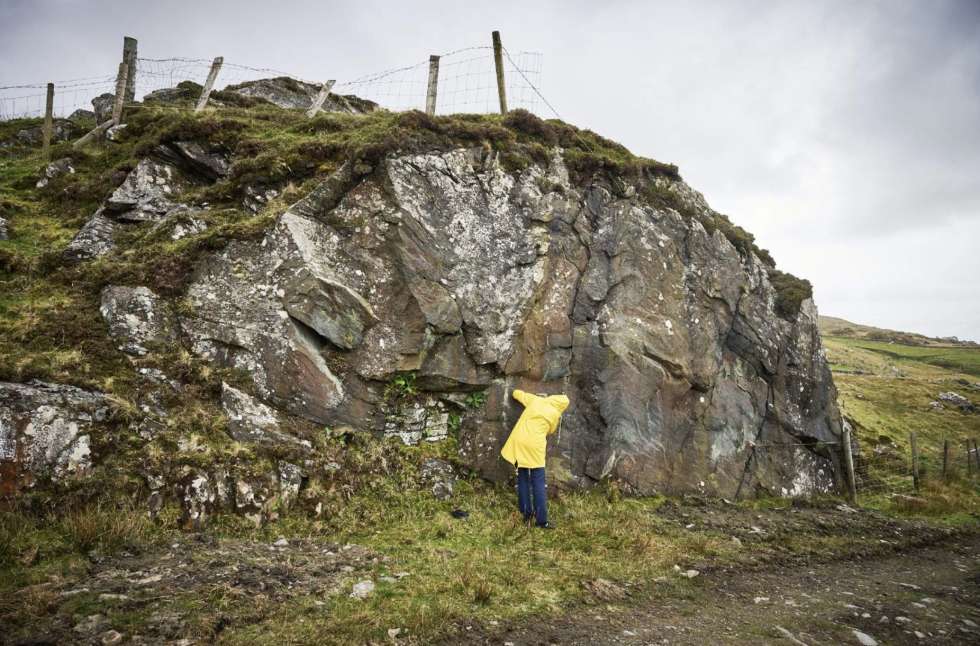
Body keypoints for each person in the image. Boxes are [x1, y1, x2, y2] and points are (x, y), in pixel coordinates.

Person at [500, 389, 570, 529]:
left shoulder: (536, 400)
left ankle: (526, 514)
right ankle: (542, 521)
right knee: (538, 483)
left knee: (523, 477)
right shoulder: (555, 416)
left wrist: (514, 391)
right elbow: (550, 431)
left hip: (520, 442)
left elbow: (520, 395)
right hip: (535, 448)